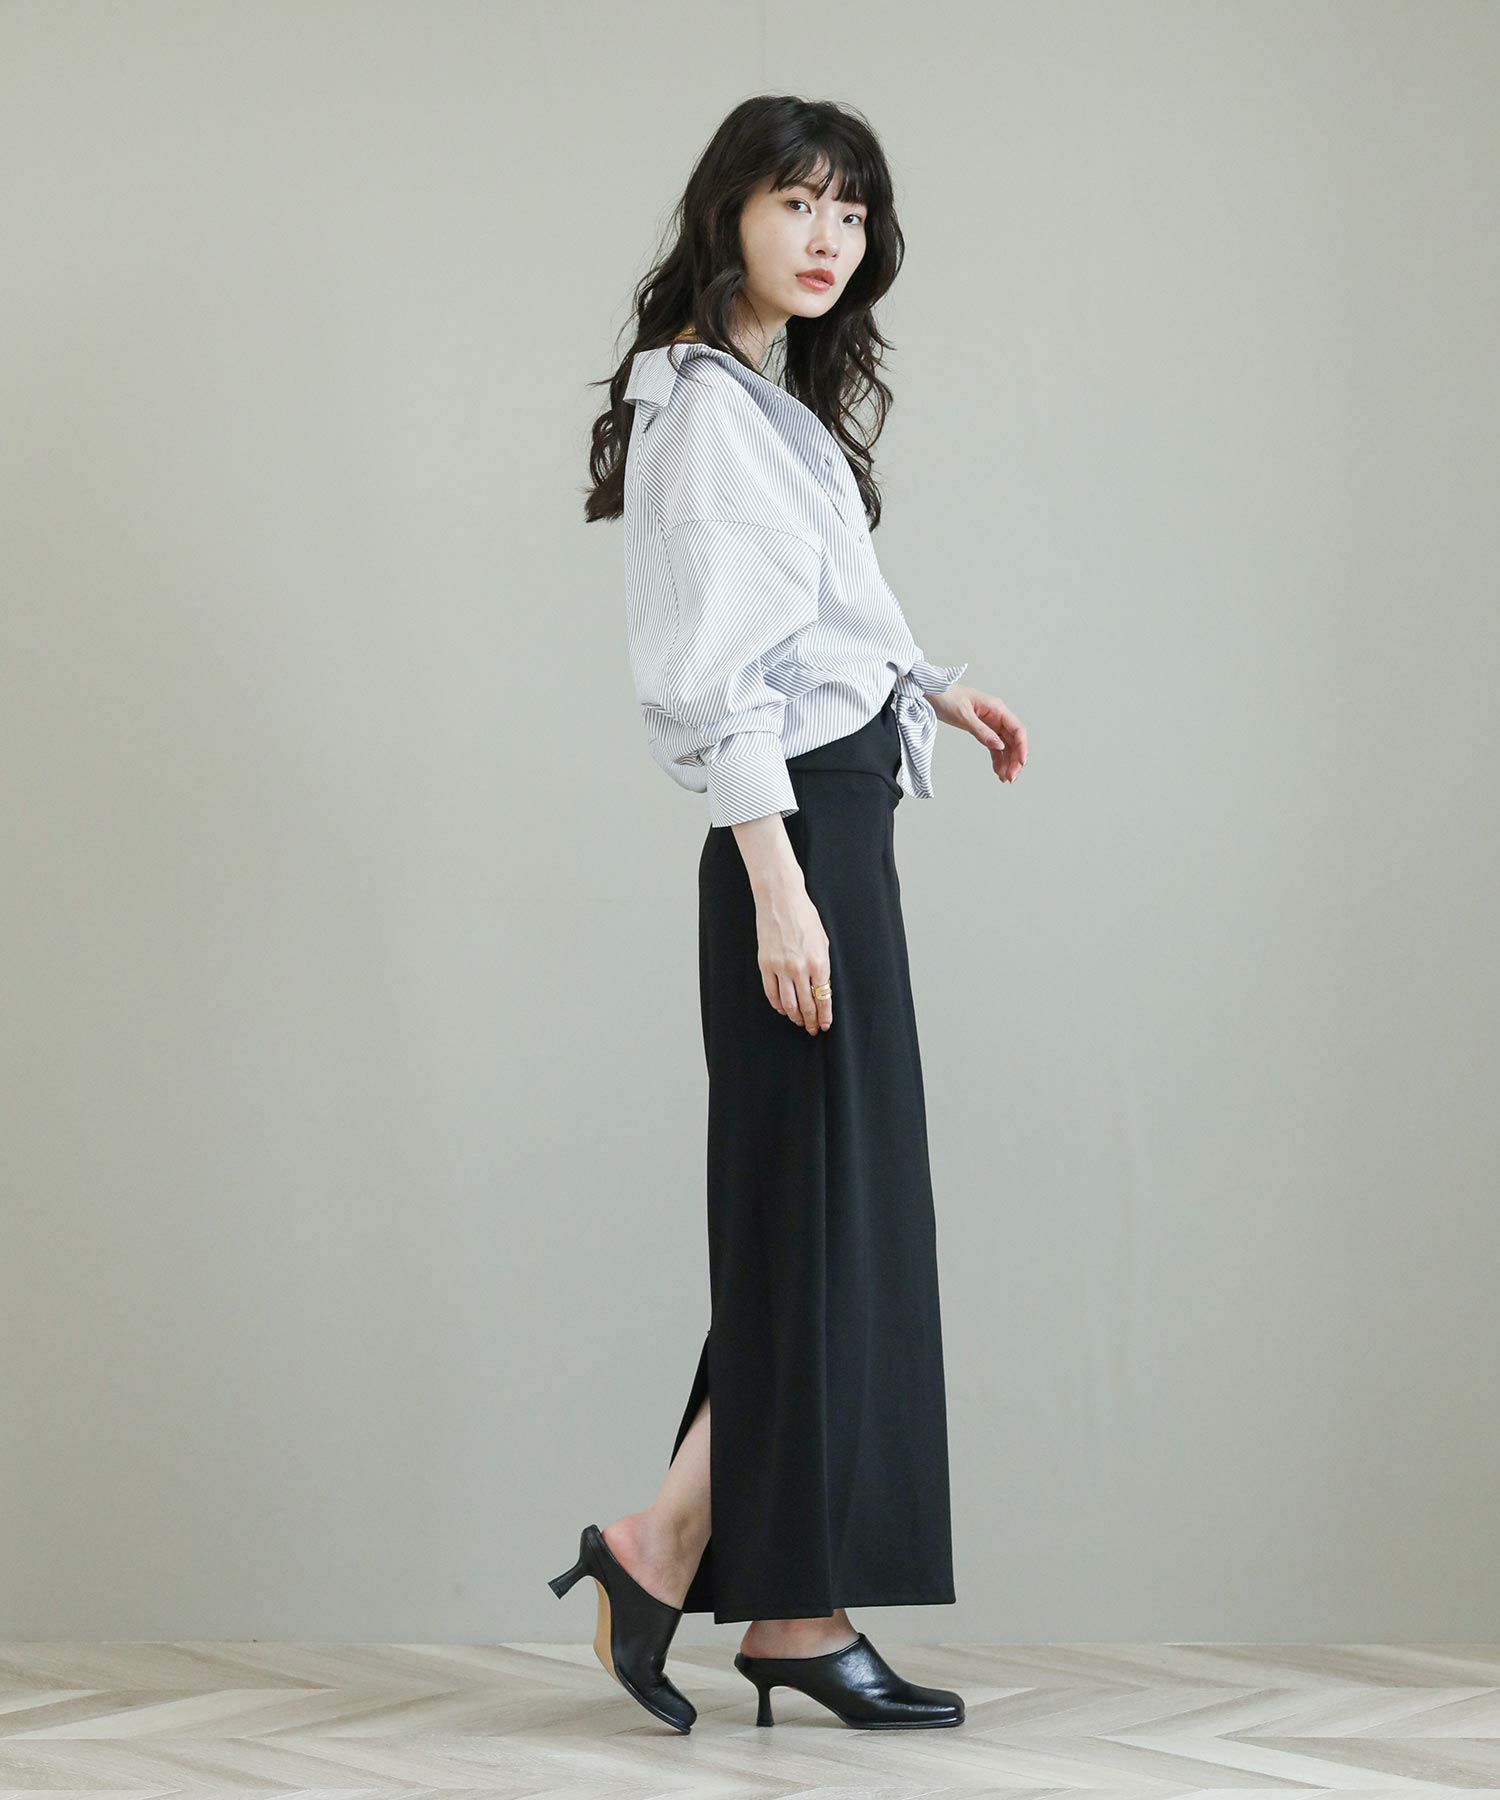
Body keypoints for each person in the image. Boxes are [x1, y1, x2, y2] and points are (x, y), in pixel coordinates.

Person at [553, 95, 1028, 1734]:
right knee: (821, 1226)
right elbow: (716, 680)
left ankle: (666, 1547)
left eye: (851, 212)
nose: (828, 238)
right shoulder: (700, 411)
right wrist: (780, 889)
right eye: (796, 203)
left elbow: (808, 622)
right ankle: (790, 1613)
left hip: (835, 827)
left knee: (828, 1224)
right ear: (729, 215)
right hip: (794, 845)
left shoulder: (762, 403)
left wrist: (930, 690)